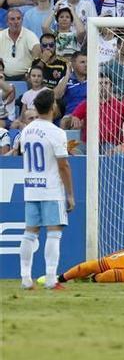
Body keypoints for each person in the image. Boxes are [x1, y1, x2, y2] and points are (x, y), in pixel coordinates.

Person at [19, 90, 74, 290]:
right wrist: (70, 194)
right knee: (54, 232)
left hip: (31, 187)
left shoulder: (27, 130)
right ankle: (51, 278)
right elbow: (63, 165)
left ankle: (25, 278)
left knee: (29, 233)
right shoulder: (56, 132)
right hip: (51, 188)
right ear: (53, 107)